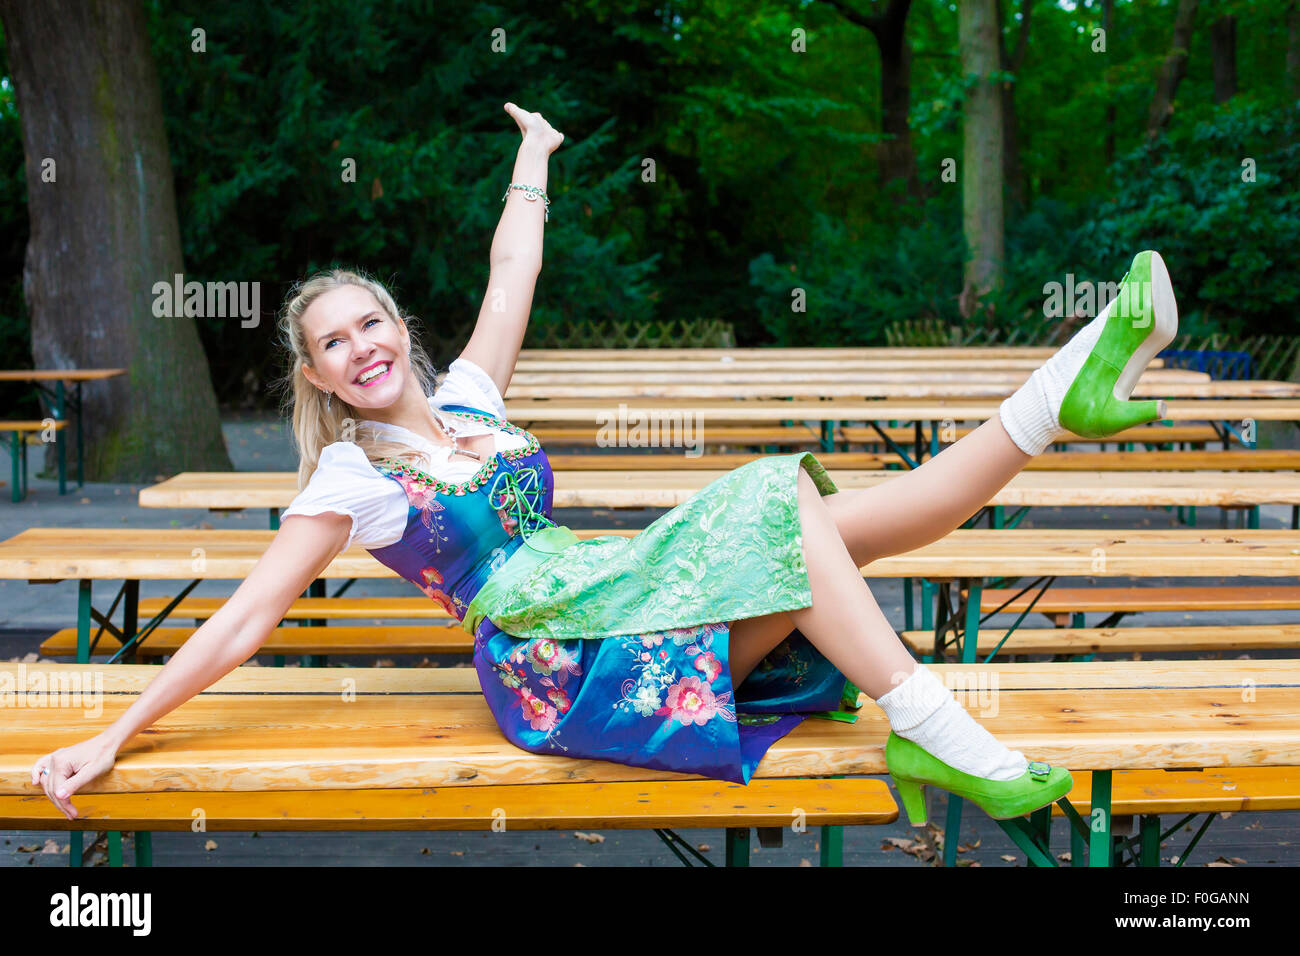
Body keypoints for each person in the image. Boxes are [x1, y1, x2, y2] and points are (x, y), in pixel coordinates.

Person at [30, 103, 1179, 832]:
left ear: (398, 327)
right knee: (780, 496)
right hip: (555, 662)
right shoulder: (349, 479)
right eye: (332, 343)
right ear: (320, 378)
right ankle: (938, 723)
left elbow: (510, 268)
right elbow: (242, 622)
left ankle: (1058, 392)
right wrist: (115, 730)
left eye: (368, 323)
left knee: (859, 520)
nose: (360, 347)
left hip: (615, 591)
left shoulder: (474, 393)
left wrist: (533, 155)